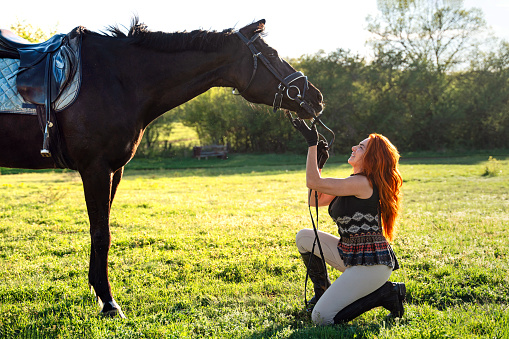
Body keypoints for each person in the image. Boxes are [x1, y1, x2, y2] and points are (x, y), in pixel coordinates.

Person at [291, 118, 406, 325]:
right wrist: (319, 162)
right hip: (351, 255)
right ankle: (321, 291)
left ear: (370, 158)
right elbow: (313, 200)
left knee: (321, 318)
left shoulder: (362, 183)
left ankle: (387, 293)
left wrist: (312, 146)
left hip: (372, 265)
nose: (354, 147)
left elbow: (312, 182)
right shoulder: (350, 182)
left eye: (360, 147)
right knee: (304, 237)